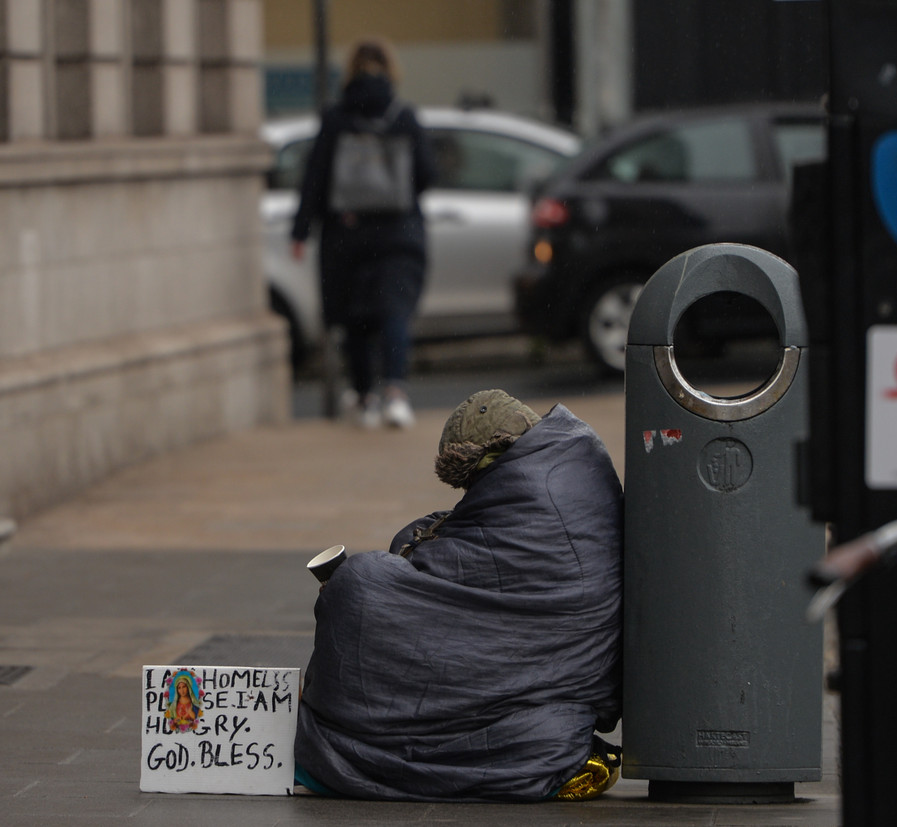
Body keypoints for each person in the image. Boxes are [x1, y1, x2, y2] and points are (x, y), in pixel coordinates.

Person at [294, 389, 625, 801]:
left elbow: (472, 567)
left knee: (357, 587)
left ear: (490, 463)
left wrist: (400, 557)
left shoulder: (536, 488)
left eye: (472, 482)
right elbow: (482, 550)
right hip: (557, 708)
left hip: (552, 684)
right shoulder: (572, 460)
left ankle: (340, 739)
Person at [290, 38, 436, 429]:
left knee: (357, 319)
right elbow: (425, 175)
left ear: (350, 70)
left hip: (348, 235)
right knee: (394, 314)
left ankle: (366, 398)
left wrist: (300, 231)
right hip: (399, 234)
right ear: (391, 70)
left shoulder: (337, 117)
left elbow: (315, 178)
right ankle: (395, 393)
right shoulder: (404, 116)